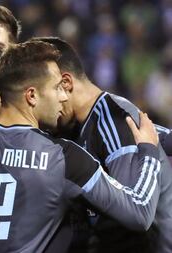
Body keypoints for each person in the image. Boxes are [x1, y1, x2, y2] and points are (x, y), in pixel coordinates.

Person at [0, 40, 161, 253]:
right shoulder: (65, 158)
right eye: (56, 88)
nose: (64, 96)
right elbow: (138, 213)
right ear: (31, 96)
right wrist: (149, 152)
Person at [30, 37, 172, 253]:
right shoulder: (80, 125)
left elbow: (132, 215)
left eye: (44, 94)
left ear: (65, 83)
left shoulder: (112, 119)